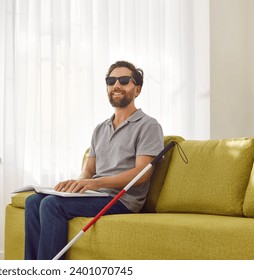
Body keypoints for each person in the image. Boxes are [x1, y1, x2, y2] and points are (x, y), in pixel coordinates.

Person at [24, 60, 164, 260]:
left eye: (124, 80)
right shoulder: (100, 129)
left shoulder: (148, 125)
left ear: (137, 90)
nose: (116, 85)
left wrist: (95, 183)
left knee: (51, 205)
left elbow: (141, 174)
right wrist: (78, 183)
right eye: (111, 80)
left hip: (121, 199)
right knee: (33, 201)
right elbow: (88, 170)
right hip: (96, 193)